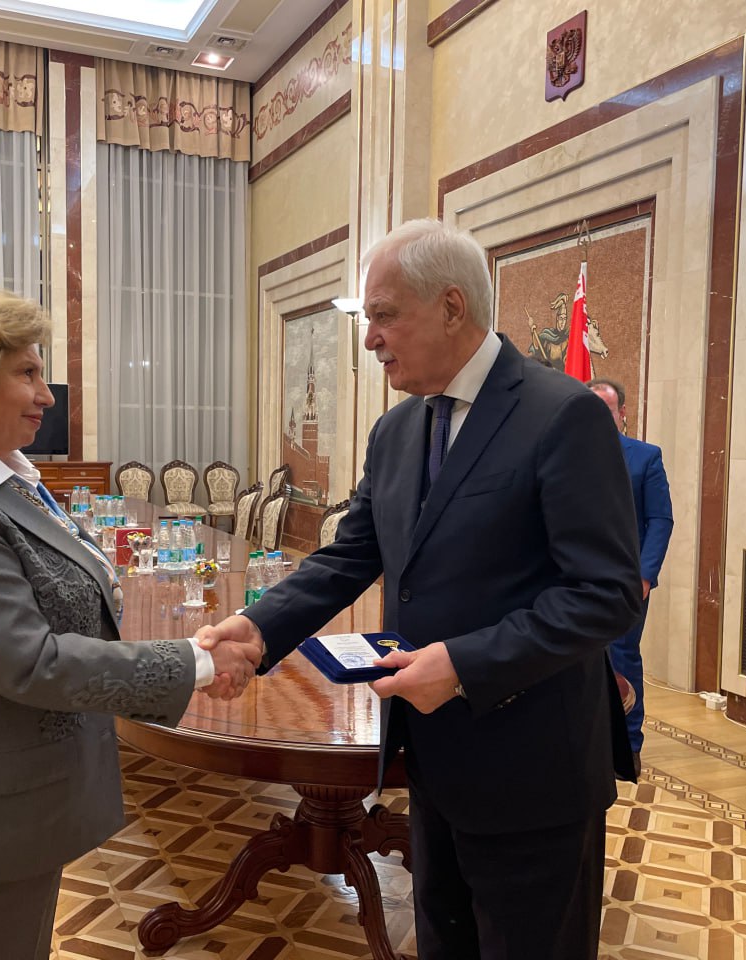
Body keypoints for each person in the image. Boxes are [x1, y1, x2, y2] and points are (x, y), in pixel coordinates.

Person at [198, 219, 642, 960]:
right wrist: (261, 627)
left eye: (383, 315)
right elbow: (352, 555)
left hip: (534, 768)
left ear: (452, 307)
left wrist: (464, 664)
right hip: (431, 758)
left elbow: (606, 593)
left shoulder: (561, 415)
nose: (370, 338)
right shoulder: (397, 429)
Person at [0, 288, 258, 959]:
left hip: (3, 811)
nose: (46, 395)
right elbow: (29, 661)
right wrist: (198, 661)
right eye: (27, 373)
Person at [588, 378, 674, 776]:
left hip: (626, 582)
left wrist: (645, 576)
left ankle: (629, 744)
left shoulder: (645, 457)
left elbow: (660, 520)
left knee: (622, 656)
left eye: (606, 410)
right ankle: (587, 739)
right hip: (573, 579)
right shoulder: (565, 454)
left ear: (622, 413)